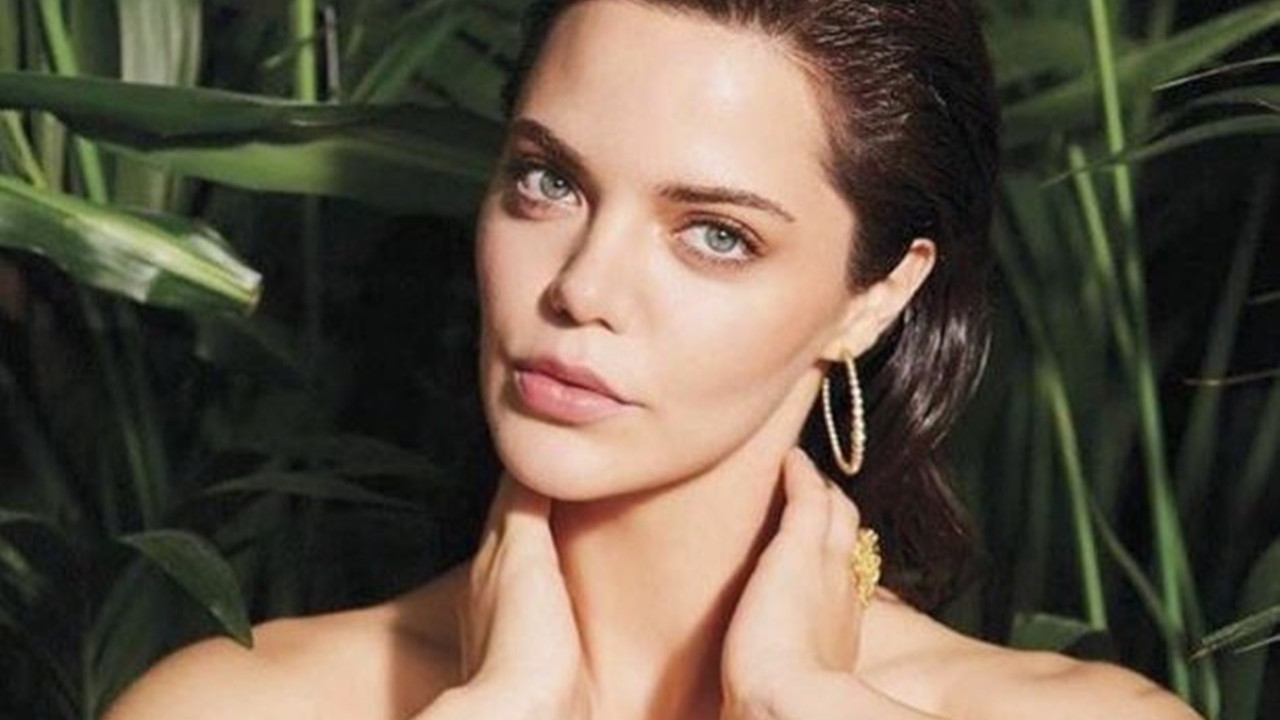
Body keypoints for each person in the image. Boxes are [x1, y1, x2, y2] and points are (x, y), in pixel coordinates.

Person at [104, 0, 1204, 718]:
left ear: (875, 297)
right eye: (549, 182)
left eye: (715, 234)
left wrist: (796, 701)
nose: (581, 287)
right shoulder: (232, 704)